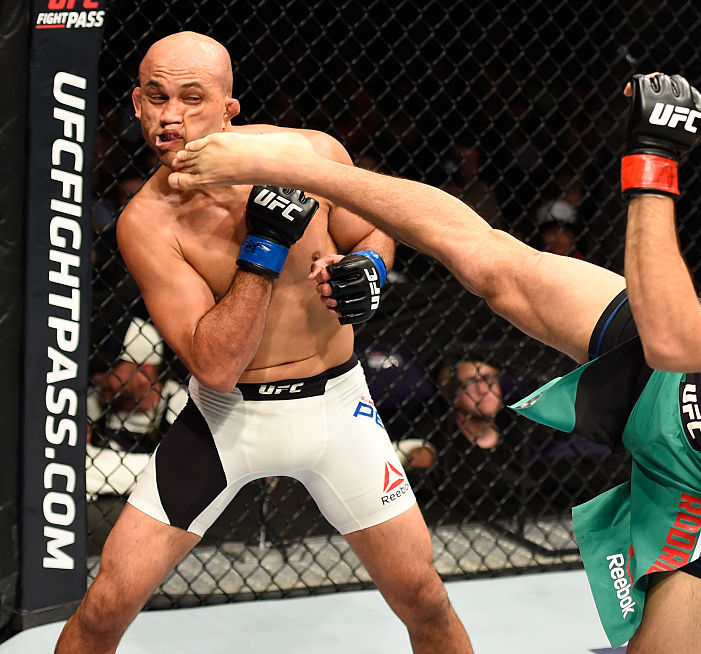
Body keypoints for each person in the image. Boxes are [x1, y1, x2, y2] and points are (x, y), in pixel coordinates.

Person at [166, 25, 701, 654]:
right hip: (669, 375)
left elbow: (680, 332)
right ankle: (296, 165)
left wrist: (651, 163)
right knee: (489, 258)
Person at [56, 32, 473, 654]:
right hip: (228, 419)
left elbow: (372, 230)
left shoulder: (308, 153)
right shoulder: (145, 223)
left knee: (428, 600)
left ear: (230, 109)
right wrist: (265, 245)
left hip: (339, 408)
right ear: (136, 104)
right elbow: (217, 364)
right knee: (104, 609)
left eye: (192, 98)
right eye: (158, 96)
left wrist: (370, 272)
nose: (172, 115)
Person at [86, 317, 188, 497]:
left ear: (144, 371)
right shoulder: (93, 401)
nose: (97, 377)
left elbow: (181, 474)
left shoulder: (182, 405)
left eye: (110, 368)